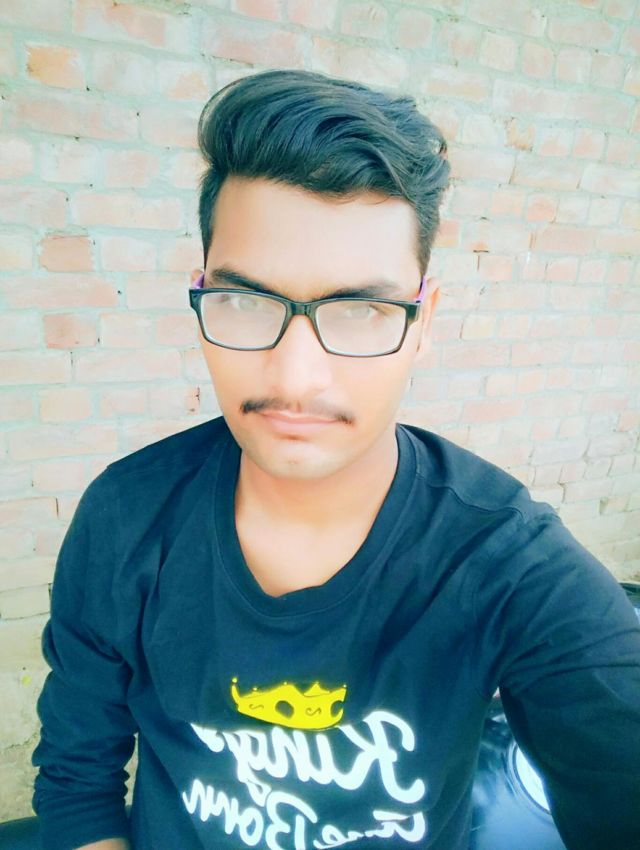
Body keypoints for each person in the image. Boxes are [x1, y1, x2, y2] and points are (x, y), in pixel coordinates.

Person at [31, 69, 640, 850]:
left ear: (422, 321)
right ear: (201, 293)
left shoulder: (505, 562)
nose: (295, 378)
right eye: (245, 301)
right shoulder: (126, 516)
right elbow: (77, 779)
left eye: (360, 311)